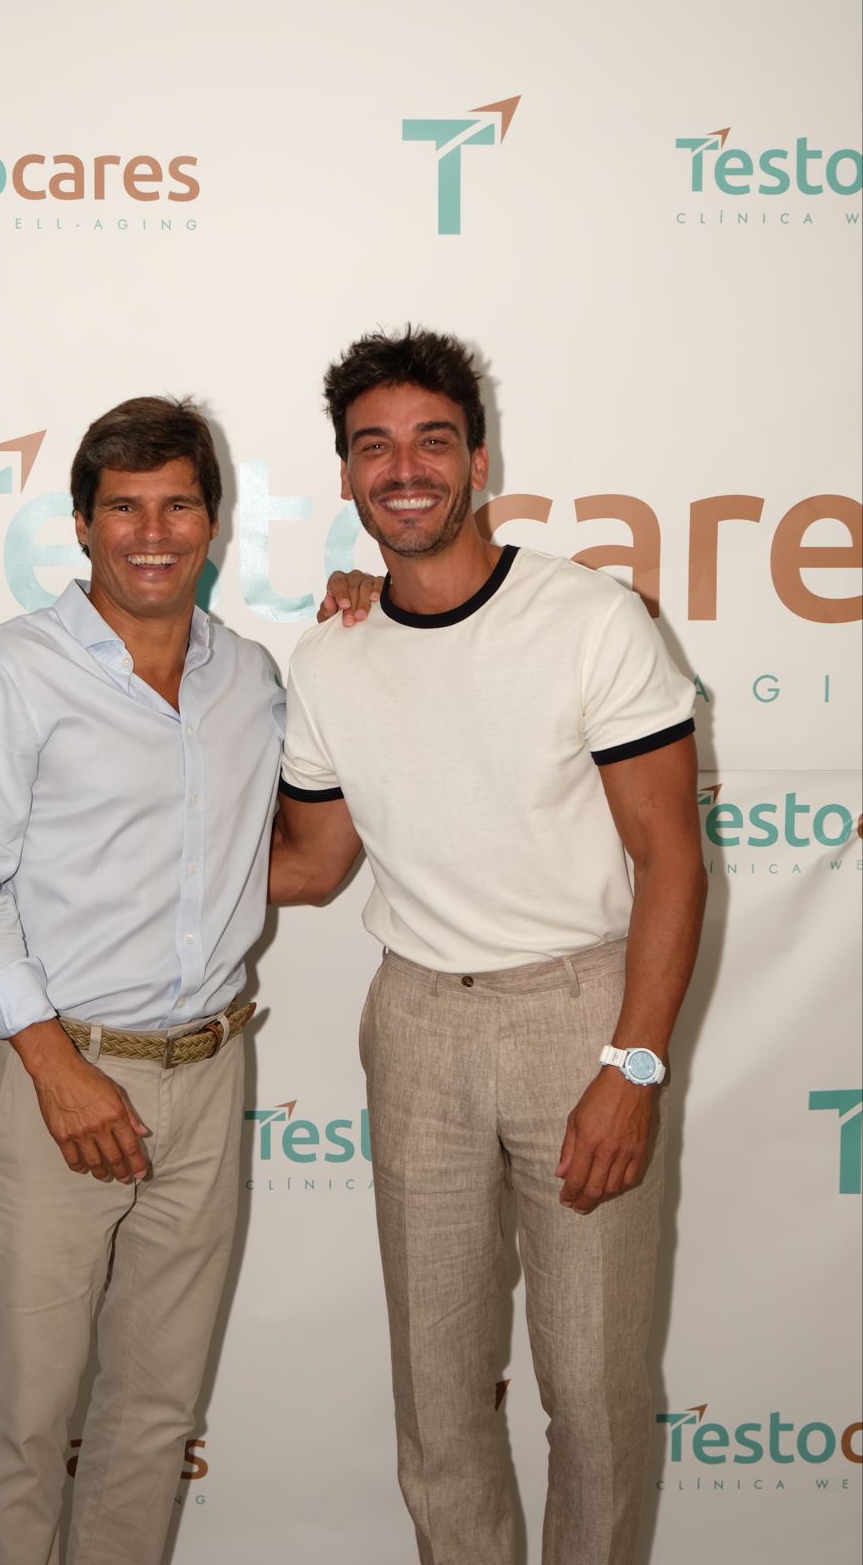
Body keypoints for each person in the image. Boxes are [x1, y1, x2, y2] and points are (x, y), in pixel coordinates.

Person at [0, 394, 378, 1565]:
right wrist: (55, 1070)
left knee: (154, 1417)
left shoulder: (249, 677)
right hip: (54, 1079)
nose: (152, 533)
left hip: (208, 1075)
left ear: (213, 522)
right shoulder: (12, 672)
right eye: (124, 508)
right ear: (81, 524)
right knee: (27, 1423)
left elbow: (298, 857)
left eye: (176, 505)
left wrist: (369, 627)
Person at [270, 328, 707, 1565]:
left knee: (595, 1395)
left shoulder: (587, 619)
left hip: (580, 1018)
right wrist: (122, 875)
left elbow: (672, 861)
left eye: (431, 440)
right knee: (437, 1396)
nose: (403, 467)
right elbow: (310, 862)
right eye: (374, 446)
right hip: (416, 1025)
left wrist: (631, 1065)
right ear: (346, 474)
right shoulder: (330, 652)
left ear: (477, 458)